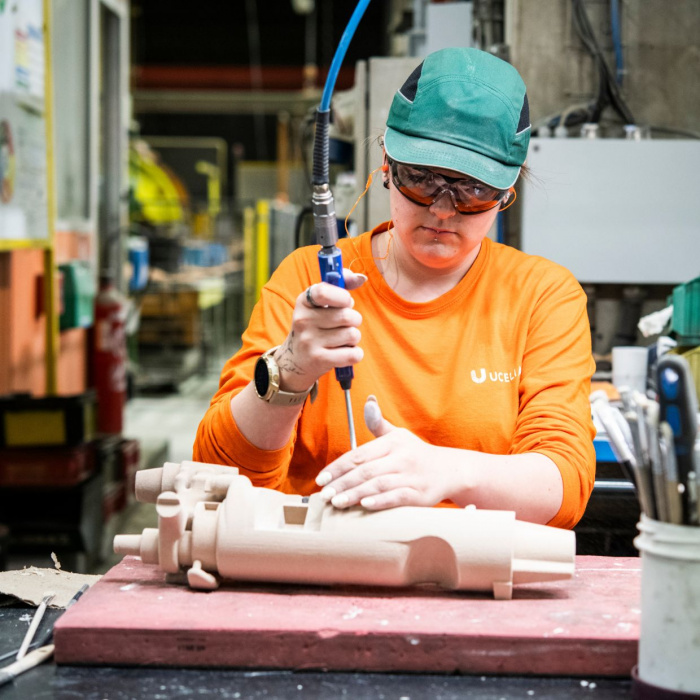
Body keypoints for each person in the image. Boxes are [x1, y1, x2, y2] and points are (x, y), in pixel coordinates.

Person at [193, 47, 596, 529]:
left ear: (507, 194)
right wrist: (289, 373)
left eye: (473, 190)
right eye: (421, 179)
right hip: (314, 573)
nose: (443, 209)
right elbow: (220, 474)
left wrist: (446, 470)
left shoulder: (543, 296)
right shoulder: (309, 279)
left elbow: (564, 483)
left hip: (470, 578)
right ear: (387, 163)